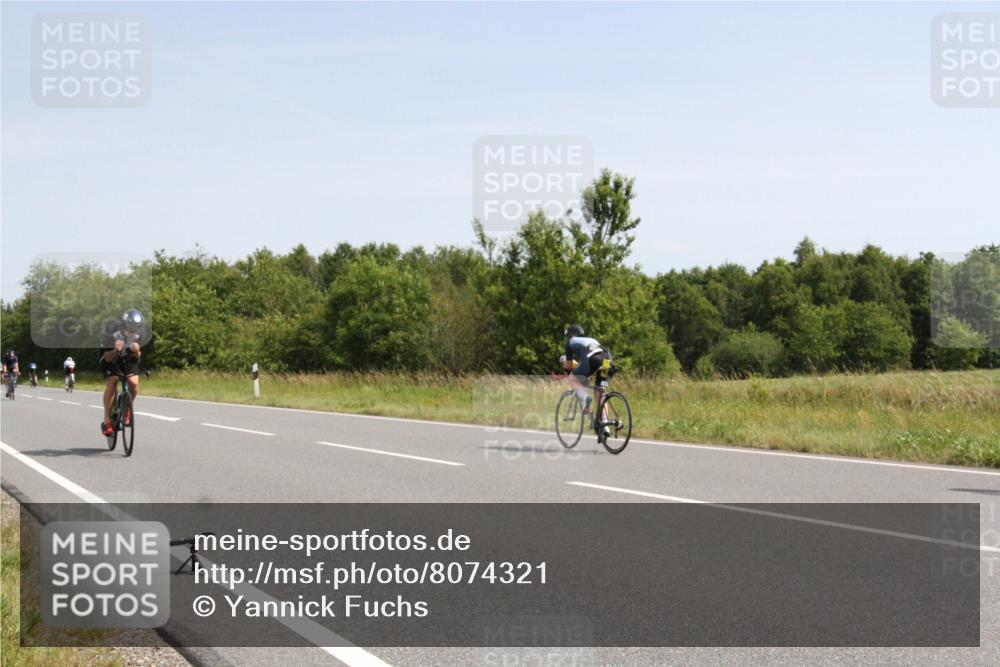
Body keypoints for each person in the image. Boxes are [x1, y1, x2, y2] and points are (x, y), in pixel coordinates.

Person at [99, 309, 146, 437]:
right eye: (131, 329)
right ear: (124, 325)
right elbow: (107, 356)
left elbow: (139, 355)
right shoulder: (112, 332)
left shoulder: (140, 333)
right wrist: (115, 350)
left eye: (137, 329)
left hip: (128, 357)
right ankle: (107, 420)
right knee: (113, 380)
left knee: (133, 382)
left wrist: (137, 351)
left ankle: (127, 410)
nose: (134, 332)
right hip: (111, 357)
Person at [560, 325, 613, 435]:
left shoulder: (570, 343)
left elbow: (569, 366)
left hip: (593, 359)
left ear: (569, 336)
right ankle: (605, 425)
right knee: (600, 391)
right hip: (607, 360)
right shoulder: (592, 340)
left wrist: (565, 362)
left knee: (572, 379)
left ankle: (585, 399)